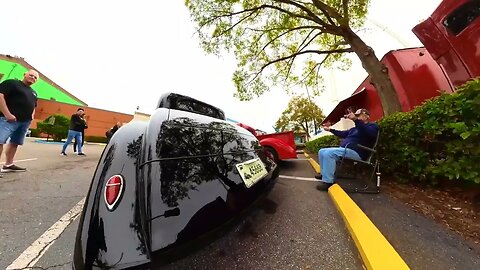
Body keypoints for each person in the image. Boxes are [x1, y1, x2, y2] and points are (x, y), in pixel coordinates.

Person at [315, 108, 379, 191]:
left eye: (358, 115)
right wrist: (330, 129)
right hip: (345, 150)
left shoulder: (372, 126)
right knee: (322, 151)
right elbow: (342, 133)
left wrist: (356, 120)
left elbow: (367, 133)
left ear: (367, 116)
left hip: (357, 152)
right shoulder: (354, 129)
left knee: (329, 154)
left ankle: (328, 182)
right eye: (356, 115)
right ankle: (324, 175)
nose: (357, 117)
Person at [0, 69, 39, 174]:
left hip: (24, 122)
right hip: (8, 119)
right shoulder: (12, 83)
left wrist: (32, 116)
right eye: (31, 75)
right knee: (0, 141)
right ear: (24, 74)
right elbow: (0, 96)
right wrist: (7, 114)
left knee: (15, 142)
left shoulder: (34, 92)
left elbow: (34, 106)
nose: (33, 78)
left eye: (35, 77)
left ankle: (8, 165)